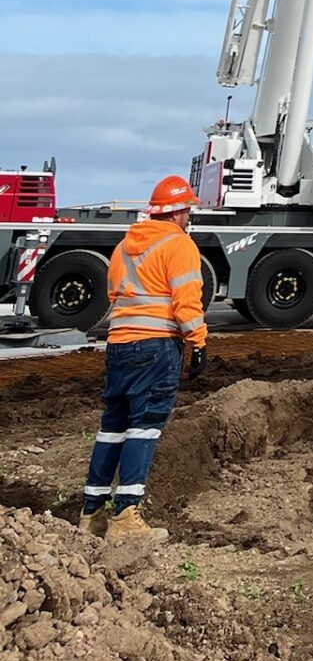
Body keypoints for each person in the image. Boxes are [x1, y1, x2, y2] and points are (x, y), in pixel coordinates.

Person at [79, 174, 209, 540]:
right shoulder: (179, 244)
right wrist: (198, 343)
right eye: (187, 211)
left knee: (113, 427)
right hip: (156, 347)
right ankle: (126, 517)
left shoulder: (125, 245)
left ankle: (91, 514)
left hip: (119, 344)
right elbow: (186, 303)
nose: (188, 217)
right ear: (178, 212)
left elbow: (114, 293)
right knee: (144, 427)